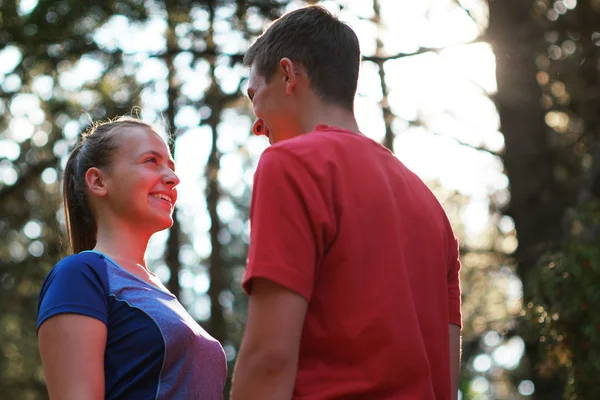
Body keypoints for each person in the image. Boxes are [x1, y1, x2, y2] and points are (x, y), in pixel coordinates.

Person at [231, 6, 461, 400]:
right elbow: (447, 376)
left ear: (288, 75)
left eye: (255, 96)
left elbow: (269, 359)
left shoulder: (291, 165)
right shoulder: (431, 209)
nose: (256, 123)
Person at [37, 117, 227, 399]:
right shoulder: (79, 275)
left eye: (171, 167)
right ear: (98, 181)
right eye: (152, 161)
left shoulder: (162, 295)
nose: (173, 178)